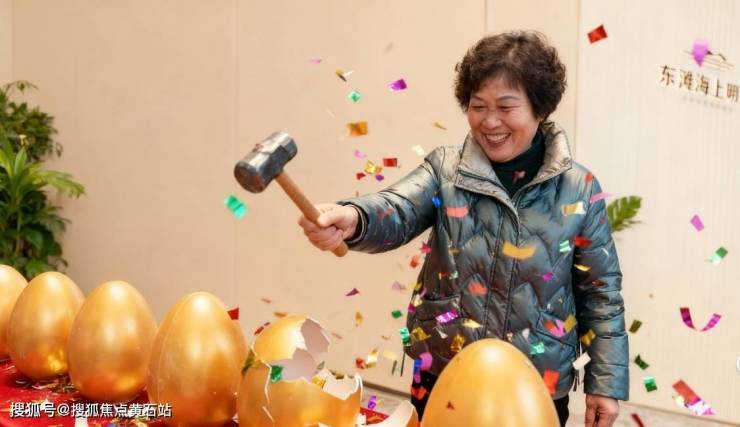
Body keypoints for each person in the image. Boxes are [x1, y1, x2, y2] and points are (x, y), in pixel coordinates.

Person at [298, 30, 628, 427]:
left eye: (506, 107)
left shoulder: (580, 188)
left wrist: (605, 383)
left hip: (534, 386)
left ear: (540, 108)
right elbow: (397, 208)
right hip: (444, 370)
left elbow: (601, 294)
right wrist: (354, 218)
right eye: (478, 106)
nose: (490, 122)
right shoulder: (446, 169)